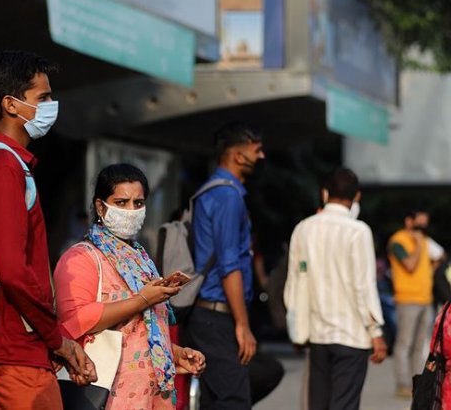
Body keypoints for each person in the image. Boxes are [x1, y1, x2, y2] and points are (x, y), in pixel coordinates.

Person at [0, 50, 94, 410]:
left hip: (23, 348)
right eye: (43, 97)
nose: (52, 105)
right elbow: (12, 271)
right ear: (11, 104)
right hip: (14, 351)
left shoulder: (10, 163)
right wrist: (57, 339)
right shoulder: (3, 165)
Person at [54, 164, 206, 409]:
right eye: (121, 202)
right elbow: (74, 321)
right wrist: (143, 300)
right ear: (100, 206)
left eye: (138, 203)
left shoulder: (140, 258)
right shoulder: (81, 258)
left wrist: (174, 353)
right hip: (107, 394)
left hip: (152, 394)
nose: (131, 210)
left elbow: (140, 331)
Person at [284, 167, 387, 409]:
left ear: (324, 193)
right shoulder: (358, 231)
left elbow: (295, 282)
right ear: (357, 197)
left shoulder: (303, 228)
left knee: (318, 403)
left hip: (318, 335)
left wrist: (297, 328)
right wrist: (376, 332)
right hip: (352, 335)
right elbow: (364, 286)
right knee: (344, 404)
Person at [186, 122, 265, 409]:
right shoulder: (227, 196)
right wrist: (242, 325)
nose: (261, 156)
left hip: (208, 315)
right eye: (256, 150)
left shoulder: (212, 190)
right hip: (218, 316)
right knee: (234, 399)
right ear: (237, 155)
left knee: (215, 399)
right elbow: (229, 264)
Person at [388, 209, 437, 398]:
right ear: (409, 221)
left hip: (425, 299)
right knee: (404, 344)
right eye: (419, 223)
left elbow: (437, 258)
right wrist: (417, 244)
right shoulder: (398, 241)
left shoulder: (425, 241)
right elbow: (410, 265)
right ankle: (402, 385)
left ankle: (417, 383)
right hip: (407, 300)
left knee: (419, 346)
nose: (422, 227)